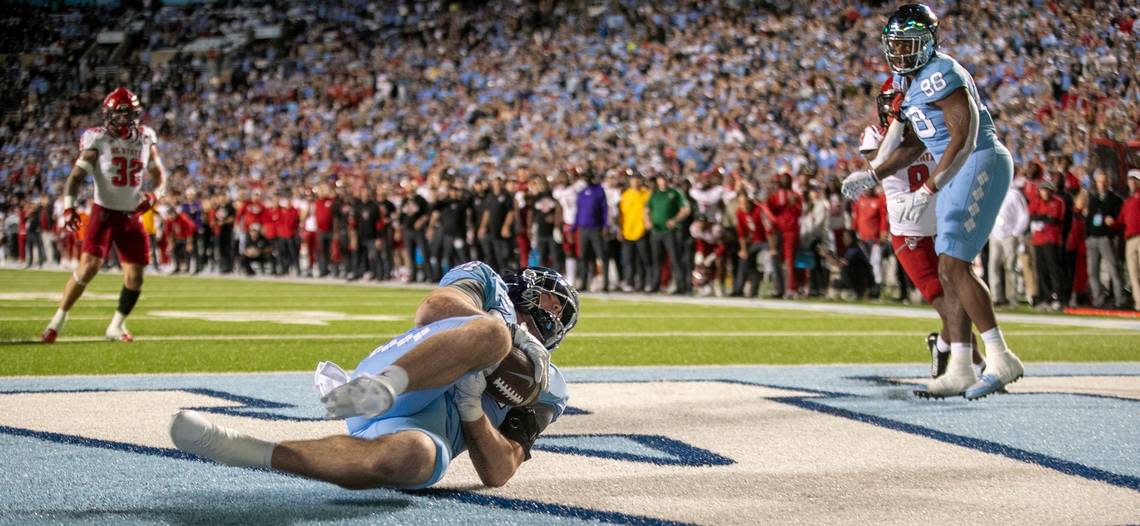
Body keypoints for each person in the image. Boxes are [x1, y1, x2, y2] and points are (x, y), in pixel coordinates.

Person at [170, 263, 579, 490]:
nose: (551, 313)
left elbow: (499, 472)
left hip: (425, 427)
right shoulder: (489, 286)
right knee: (490, 333)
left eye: (560, 314)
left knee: (414, 458)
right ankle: (377, 390)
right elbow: (434, 309)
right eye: (548, 299)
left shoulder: (549, 384)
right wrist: (503, 343)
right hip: (398, 376)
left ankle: (249, 451)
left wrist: (472, 410)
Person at [842, 4, 1022, 399]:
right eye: (896, 45)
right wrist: (873, 174)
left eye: (909, 44)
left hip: (977, 161)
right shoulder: (910, 82)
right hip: (959, 168)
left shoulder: (942, 72)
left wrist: (928, 188)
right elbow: (913, 144)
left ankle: (999, 355)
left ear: (929, 41)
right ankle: (959, 364)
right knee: (948, 269)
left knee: (955, 265)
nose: (901, 53)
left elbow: (966, 136)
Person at [855, 80, 983, 378]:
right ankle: (977, 363)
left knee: (960, 298)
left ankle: (943, 348)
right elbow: (879, 163)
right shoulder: (874, 134)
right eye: (890, 102)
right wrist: (899, 129)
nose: (891, 108)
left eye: (897, 102)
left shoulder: (930, 129)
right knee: (946, 303)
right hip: (909, 232)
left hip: (942, 224)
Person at [42, 87, 167, 343]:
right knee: (88, 267)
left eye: (128, 113)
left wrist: (154, 196)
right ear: (108, 114)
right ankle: (57, 321)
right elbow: (76, 177)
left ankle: (116, 325)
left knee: (136, 275)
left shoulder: (145, 137)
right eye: (118, 113)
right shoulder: (97, 138)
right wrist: (68, 206)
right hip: (104, 212)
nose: (123, 118)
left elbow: (160, 177)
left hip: (132, 214)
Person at [1085, 170, 1126, 308]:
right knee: (1093, 271)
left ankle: (1119, 299)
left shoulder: (1116, 200)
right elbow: (1089, 219)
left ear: (1108, 183)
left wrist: (1112, 225)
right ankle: (1098, 299)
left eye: (1104, 182)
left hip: (1106, 238)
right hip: (1093, 239)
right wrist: (1087, 236)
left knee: (1113, 269)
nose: (1101, 184)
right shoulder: (1093, 199)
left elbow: (1120, 220)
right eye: (1099, 182)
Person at [1119, 170, 1140, 311]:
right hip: (1129, 238)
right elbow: (1120, 220)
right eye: (1130, 180)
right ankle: (1139, 302)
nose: (1131, 182)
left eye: (1134, 180)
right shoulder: (1127, 201)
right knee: (1132, 272)